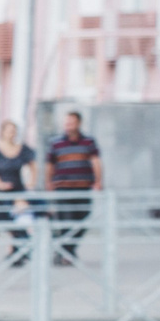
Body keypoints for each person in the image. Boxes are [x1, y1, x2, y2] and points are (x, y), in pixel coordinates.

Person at [44, 109, 104, 265]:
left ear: (79, 123)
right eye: (66, 122)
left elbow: (96, 161)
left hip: (83, 187)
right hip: (63, 187)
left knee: (82, 220)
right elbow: (50, 164)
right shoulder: (56, 142)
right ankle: (66, 253)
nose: (68, 125)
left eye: (71, 122)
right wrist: (48, 182)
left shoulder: (89, 142)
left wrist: (98, 181)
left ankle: (66, 251)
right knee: (66, 220)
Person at [0, 120, 35, 267]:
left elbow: (33, 165)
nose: (12, 133)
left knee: (16, 221)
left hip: (16, 189)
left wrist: (31, 182)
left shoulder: (22, 149)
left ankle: (14, 252)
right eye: (9, 130)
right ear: (2, 132)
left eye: (14, 130)